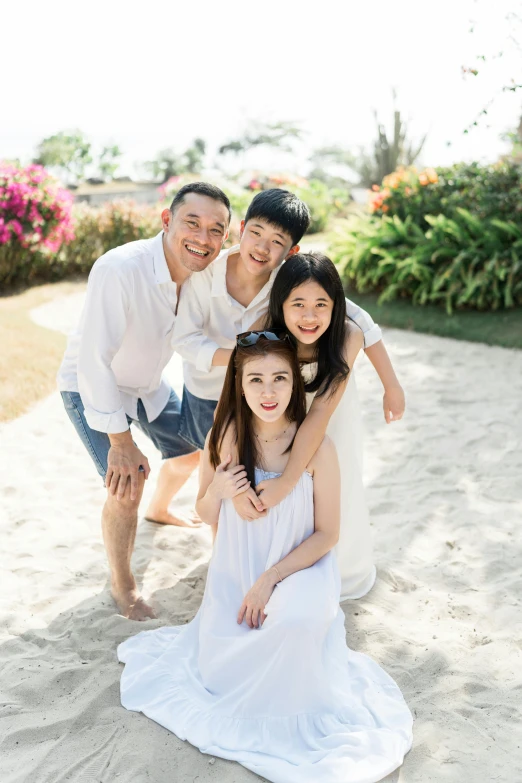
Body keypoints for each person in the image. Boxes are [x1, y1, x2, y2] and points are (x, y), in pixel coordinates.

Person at [118, 334, 413, 783]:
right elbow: (203, 511)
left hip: (299, 567)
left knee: (295, 623)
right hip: (237, 572)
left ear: (295, 383)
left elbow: (328, 534)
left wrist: (271, 579)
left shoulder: (317, 448)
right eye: (255, 379)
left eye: (279, 378)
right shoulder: (225, 437)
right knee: (230, 656)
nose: (268, 392)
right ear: (239, 384)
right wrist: (218, 489)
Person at [58, 182, 231, 620]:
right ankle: (122, 584)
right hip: (93, 386)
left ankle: (160, 509)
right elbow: (94, 361)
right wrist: (120, 442)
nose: (203, 237)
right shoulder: (121, 268)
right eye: (193, 222)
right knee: (127, 482)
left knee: (191, 451)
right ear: (167, 221)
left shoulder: (204, 274)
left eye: (216, 229)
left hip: (149, 386)